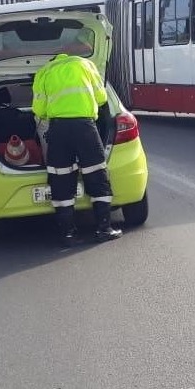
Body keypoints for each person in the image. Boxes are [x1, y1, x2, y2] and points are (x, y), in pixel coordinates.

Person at [31, 30, 122, 246]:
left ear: (54, 59)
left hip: (58, 131)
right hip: (85, 128)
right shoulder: (86, 66)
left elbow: (38, 109)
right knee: (96, 174)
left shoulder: (43, 73)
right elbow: (101, 98)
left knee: (61, 180)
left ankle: (68, 235)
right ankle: (104, 228)